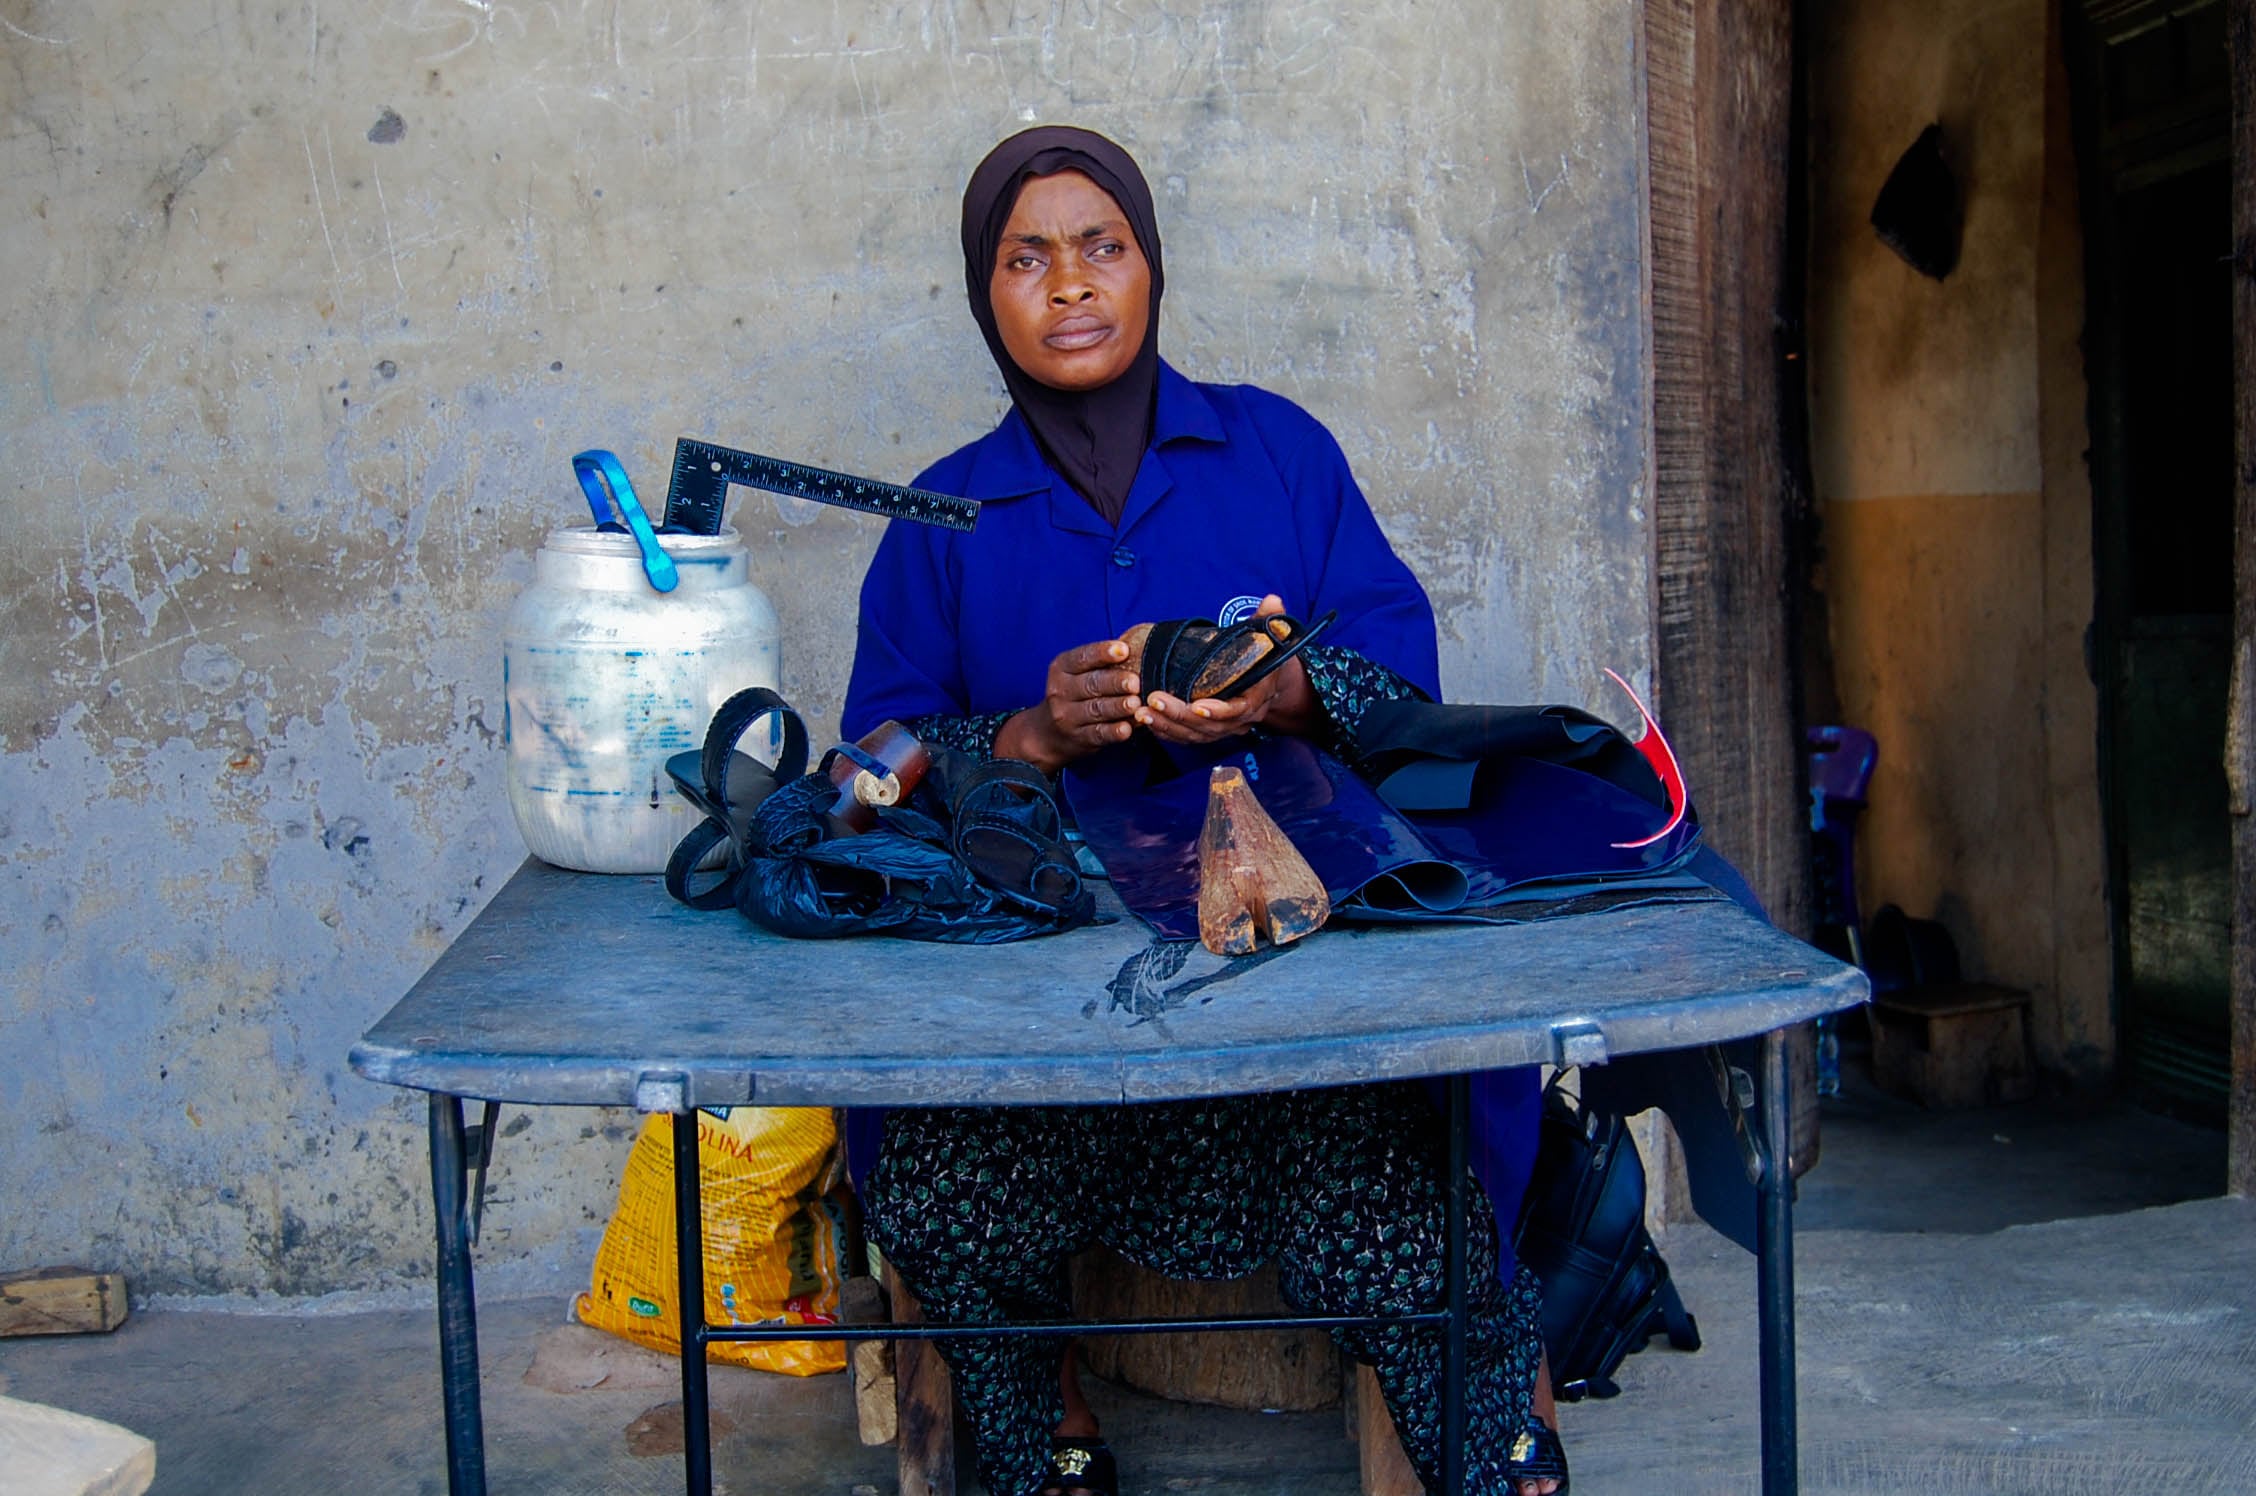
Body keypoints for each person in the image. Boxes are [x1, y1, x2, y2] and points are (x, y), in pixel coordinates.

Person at [841, 125, 1564, 1496]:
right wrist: (1035, 732)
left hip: (1292, 969)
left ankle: (1483, 1412)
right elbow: (870, 761)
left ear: (1151, 269)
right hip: (1043, 1005)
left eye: (1101, 247)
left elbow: (1403, 675)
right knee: (945, 1180)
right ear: (982, 294)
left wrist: (1287, 694)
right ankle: (1038, 1404)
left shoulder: (1276, 452)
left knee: (1395, 1167)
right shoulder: (941, 512)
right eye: (1026, 258)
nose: (1070, 285)